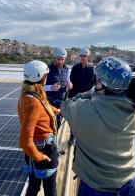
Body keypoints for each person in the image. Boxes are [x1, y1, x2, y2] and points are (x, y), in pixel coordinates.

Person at [61, 56, 135, 196]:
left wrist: (91, 92)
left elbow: (66, 105)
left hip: (96, 187)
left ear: (99, 83)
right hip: (129, 184)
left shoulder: (82, 110)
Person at [18, 60, 59, 196]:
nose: (46, 78)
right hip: (43, 150)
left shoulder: (27, 94)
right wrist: (40, 157)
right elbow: (24, 141)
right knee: (50, 191)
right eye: (45, 76)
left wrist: (58, 111)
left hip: (34, 152)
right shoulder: (34, 102)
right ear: (40, 77)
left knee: (33, 187)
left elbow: (45, 106)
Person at [68, 46, 95, 145]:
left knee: (84, 118)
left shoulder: (92, 69)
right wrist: (71, 96)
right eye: (82, 56)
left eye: (85, 56)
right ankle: (72, 136)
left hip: (86, 98)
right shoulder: (75, 68)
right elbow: (72, 81)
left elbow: (93, 84)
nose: (83, 58)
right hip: (75, 96)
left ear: (88, 57)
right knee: (74, 118)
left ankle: (82, 137)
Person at [45, 47, 73, 128]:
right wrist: (51, 87)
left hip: (62, 102)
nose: (60, 61)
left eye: (62, 59)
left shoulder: (66, 69)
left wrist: (70, 85)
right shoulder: (47, 69)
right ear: (55, 58)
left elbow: (69, 82)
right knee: (50, 125)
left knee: (58, 124)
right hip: (50, 103)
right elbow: (40, 87)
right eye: (58, 59)